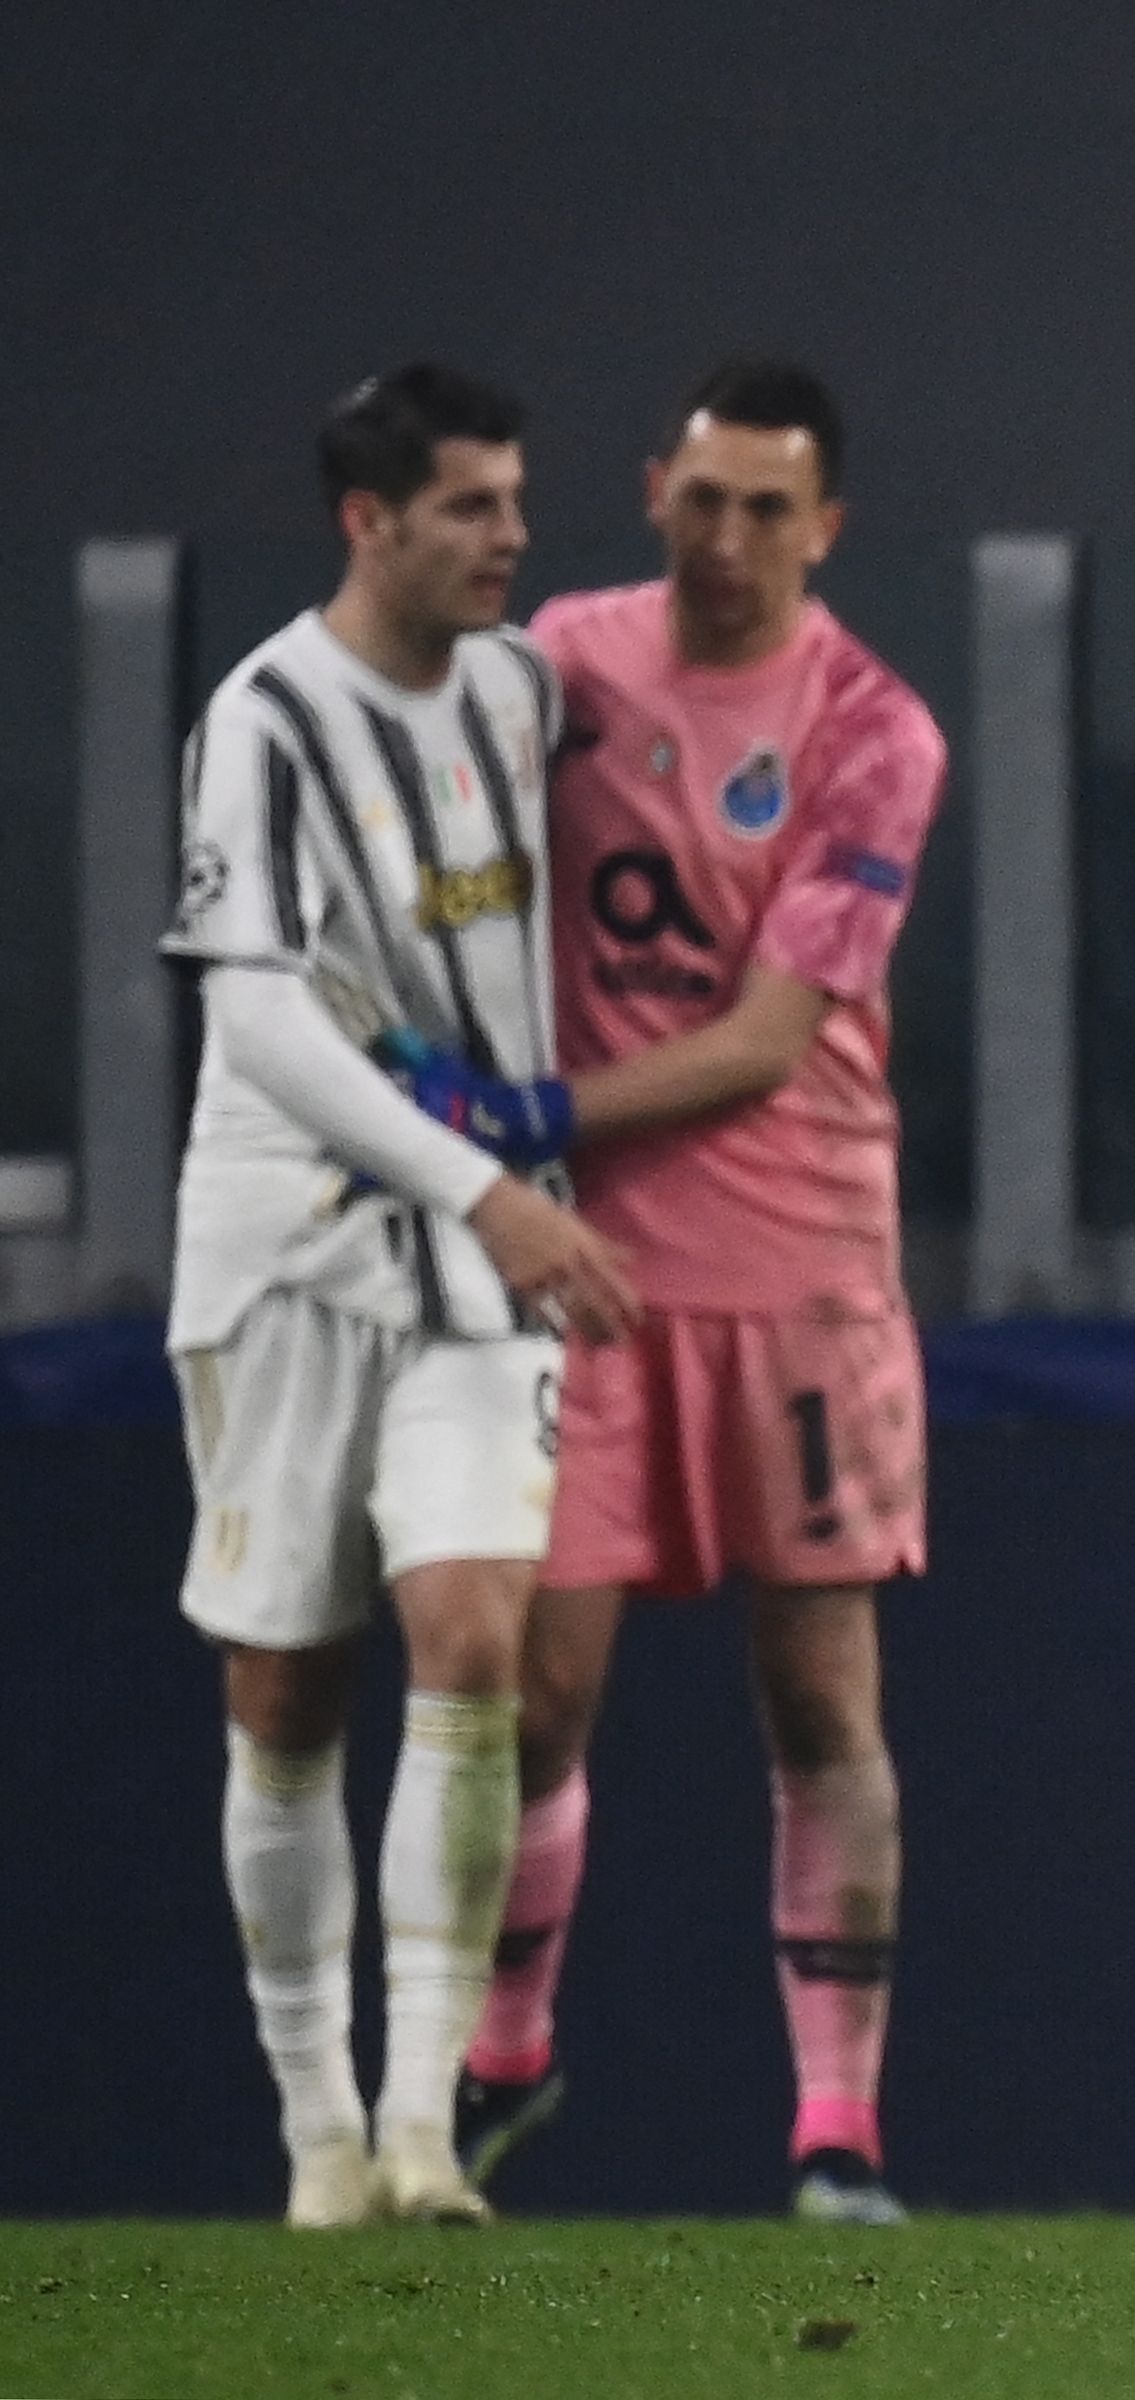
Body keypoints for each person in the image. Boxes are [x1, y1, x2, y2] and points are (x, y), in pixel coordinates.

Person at [450, 360, 948, 2226]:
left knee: (820, 1706)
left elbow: (765, 1037)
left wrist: (532, 1109)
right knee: (532, 1694)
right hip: (590, 1275)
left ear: (826, 527)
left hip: (805, 1266)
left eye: (771, 509)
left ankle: (839, 2135)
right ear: (654, 490)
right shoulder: (558, 664)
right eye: (705, 499)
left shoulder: (872, 726)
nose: (729, 539)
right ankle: (506, 2051)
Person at [163, 364, 639, 2226]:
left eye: (517, 500)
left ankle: (426, 2129)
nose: (511, 535)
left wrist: (506, 1199)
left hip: (478, 1267)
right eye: (470, 507)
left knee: (476, 1642)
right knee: (286, 1694)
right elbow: (257, 1010)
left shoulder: (521, 691)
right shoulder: (265, 715)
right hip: (286, 1248)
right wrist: (479, 1186)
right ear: (370, 521)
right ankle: (317, 2134)